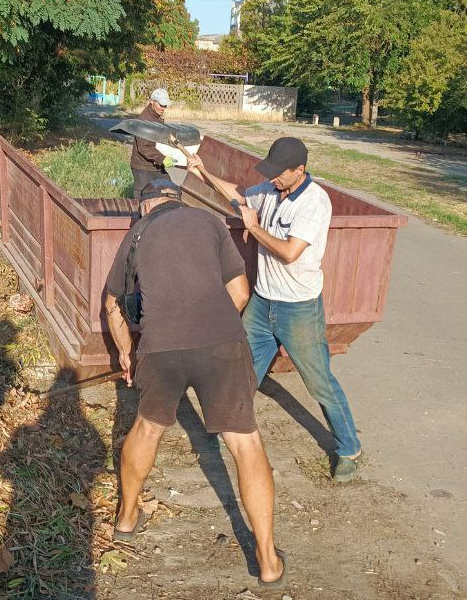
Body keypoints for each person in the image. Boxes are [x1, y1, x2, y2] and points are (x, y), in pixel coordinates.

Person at [104, 179, 286, 587]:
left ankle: (127, 518)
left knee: (147, 428)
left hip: (160, 347)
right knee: (245, 441)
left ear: (145, 205)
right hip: (220, 342)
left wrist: (125, 353)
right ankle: (269, 560)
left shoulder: (138, 232)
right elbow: (239, 292)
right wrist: (212, 333)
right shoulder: (209, 221)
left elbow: (113, 301)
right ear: (176, 200)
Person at [187, 137, 363, 482]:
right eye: (271, 172)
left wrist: (253, 227)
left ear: (300, 170)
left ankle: (349, 448)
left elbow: (289, 252)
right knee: (243, 372)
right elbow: (239, 194)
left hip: (298, 308)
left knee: (319, 382)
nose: (273, 179)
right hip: (262, 302)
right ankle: (226, 430)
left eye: (279, 174)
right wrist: (202, 173)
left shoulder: (314, 203)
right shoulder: (270, 189)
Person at [130, 88, 177, 199]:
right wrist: (162, 159)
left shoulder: (156, 117)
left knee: (165, 194)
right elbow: (144, 147)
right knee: (142, 199)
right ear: (152, 102)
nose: (163, 108)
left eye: (165, 105)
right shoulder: (145, 120)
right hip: (143, 167)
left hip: (155, 165)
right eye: (161, 105)